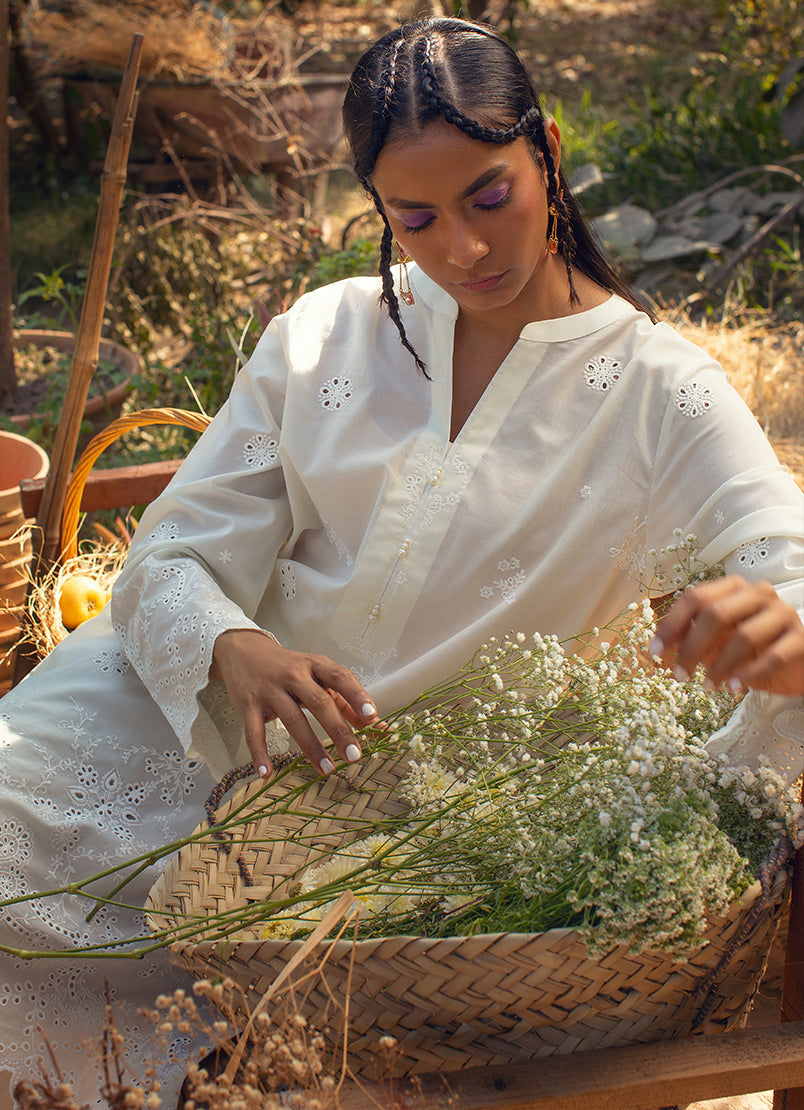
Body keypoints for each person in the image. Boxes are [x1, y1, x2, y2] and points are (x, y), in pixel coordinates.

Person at [2, 15, 803, 1108]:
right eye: (414, 217)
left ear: (549, 150)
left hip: (400, 822)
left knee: (298, 1043)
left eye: (489, 196)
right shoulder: (323, 336)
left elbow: (784, 561)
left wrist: (778, 623)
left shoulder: (666, 393)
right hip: (169, 716)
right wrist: (237, 647)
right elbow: (174, 552)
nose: (463, 249)